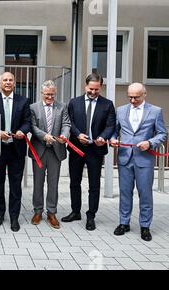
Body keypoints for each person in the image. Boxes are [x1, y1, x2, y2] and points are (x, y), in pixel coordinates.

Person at [110, 83, 166, 241]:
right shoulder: (120, 110)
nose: (132, 100)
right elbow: (114, 130)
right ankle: (124, 223)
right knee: (125, 192)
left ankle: (145, 226)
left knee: (145, 194)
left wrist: (150, 142)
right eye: (130, 97)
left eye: (136, 97)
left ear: (144, 94)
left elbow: (162, 134)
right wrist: (113, 139)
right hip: (124, 158)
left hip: (144, 159)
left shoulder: (155, 111)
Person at [61, 72, 116, 231]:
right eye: (91, 89)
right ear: (85, 86)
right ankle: (75, 211)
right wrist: (77, 134)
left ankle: (91, 215)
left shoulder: (107, 104)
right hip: (77, 148)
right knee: (74, 182)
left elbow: (110, 125)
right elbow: (68, 122)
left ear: (101, 87)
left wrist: (103, 137)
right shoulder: (74, 102)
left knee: (94, 184)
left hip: (95, 150)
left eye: (96, 90)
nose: (93, 92)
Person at [0, 72, 31, 232]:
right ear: (0, 83)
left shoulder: (23, 100)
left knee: (15, 185)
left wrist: (22, 131)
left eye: (10, 80)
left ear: (14, 83)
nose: (8, 82)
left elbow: (28, 121)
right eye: (5, 80)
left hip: (16, 150)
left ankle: (14, 217)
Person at [29, 80, 70, 229]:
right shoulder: (33, 107)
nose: (50, 97)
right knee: (38, 183)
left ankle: (51, 212)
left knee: (53, 183)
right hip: (39, 150)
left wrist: (65, 135)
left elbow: (66, 124)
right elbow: (32, 126)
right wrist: (44, 136)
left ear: (55, 93)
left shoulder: (62, 107)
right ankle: (38, 211)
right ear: (42, 93)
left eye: (52, 94)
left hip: (56, 151)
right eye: (47, 95)